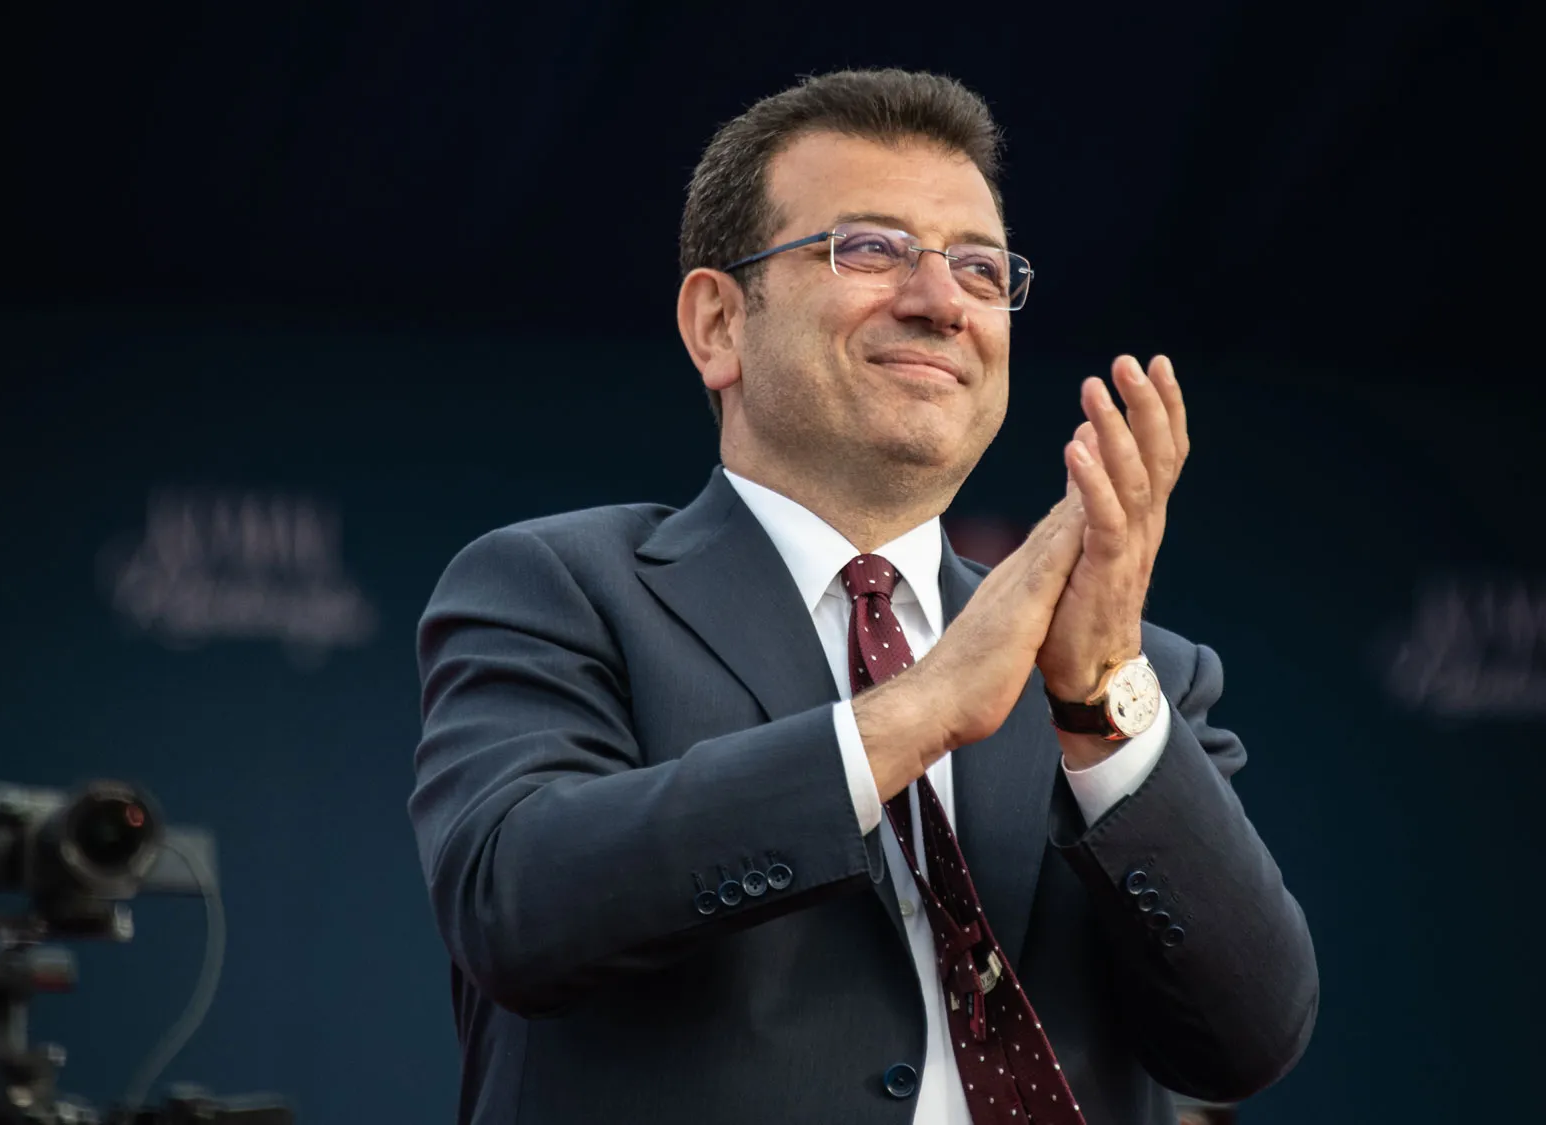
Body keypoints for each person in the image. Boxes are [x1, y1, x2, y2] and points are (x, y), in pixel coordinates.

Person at [408, 68, 1317, 1125]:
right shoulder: (559, 589)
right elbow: (514, 905)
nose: (938, 303)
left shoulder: (1127, 672)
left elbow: (1249, 1035)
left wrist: (1100, 698)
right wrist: (917, 713)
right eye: (870, 248)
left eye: (979, 270)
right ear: (717, 325)